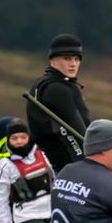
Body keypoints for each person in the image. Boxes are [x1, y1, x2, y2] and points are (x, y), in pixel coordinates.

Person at [0, 118, 62, 223]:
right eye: (14, 138)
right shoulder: (3, 166)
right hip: (27, 217)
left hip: (52, 211)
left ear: (29, 137)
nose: (19, 141)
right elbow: (0, 202)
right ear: (8, 141)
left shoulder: (44, 155)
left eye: (23, 137)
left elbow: (60, 181)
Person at [27, 34, 90, 172]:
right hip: (71, 165)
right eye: (67, 58)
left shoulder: (44, 84)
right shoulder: (57, 88)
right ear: (52, 60)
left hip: (59, 165)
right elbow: (82, 131)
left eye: (76, 59)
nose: (73, 64)